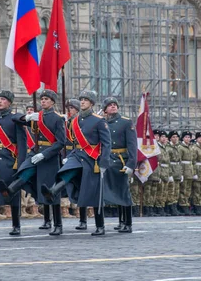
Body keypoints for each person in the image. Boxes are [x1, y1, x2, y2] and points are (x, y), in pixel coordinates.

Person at [41, 89, 111, 236]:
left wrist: (104, 162)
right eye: (81, 99)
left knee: (95, 193)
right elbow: (72, 141)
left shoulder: (99, 121)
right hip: (77, 155)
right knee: (66, 170)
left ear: (91, 103)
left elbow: (106, 143)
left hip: (92, 158)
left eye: (85, 100)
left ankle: (100, 225)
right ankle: (53, 191)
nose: (82, 102)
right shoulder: (74, 121)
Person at [1, 89, 66, 235]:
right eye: (42, 99)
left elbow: (61, 142)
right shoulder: (37, 116)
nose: (43, 101)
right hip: (35, 152)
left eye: (46, 99)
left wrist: (44, 154)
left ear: (53, 102)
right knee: (24, 170)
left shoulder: (58, 118)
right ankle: (11, 190)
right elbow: (15, 119)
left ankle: (58, 224)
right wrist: (28, 117)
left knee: (50, 191)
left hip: (49, 157)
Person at [0, 90, 27, 236]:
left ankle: (16, 225)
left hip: (10, 159)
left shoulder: (15, 119)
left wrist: (21, 163)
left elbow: (22, 143)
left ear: (9, 102)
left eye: (3, 99)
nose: (0, 102)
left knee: (13, 193)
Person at [100, 97, 137, 232]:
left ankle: (128, 223)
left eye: (115, 104)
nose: (113, 106)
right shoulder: (101, 122)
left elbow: (132, 145)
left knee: (123, 192)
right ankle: (121, 220)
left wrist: (131, 164)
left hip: (121, 161)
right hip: (107, 160)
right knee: (110, 192)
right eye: (110, 105)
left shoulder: (126, 123)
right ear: (105, 109)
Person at [178, 131, 194, 216]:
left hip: (190, 171)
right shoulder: (181, 147)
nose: (188, 139)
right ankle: (183, 205)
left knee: (188, 190)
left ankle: (187, 204)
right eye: (186, 137)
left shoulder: (191, 147)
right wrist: (181, 173)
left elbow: (193, 161)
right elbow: (179, 161)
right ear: (183, 138)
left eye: (189, 137)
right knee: (183, 189)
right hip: (184, 170)